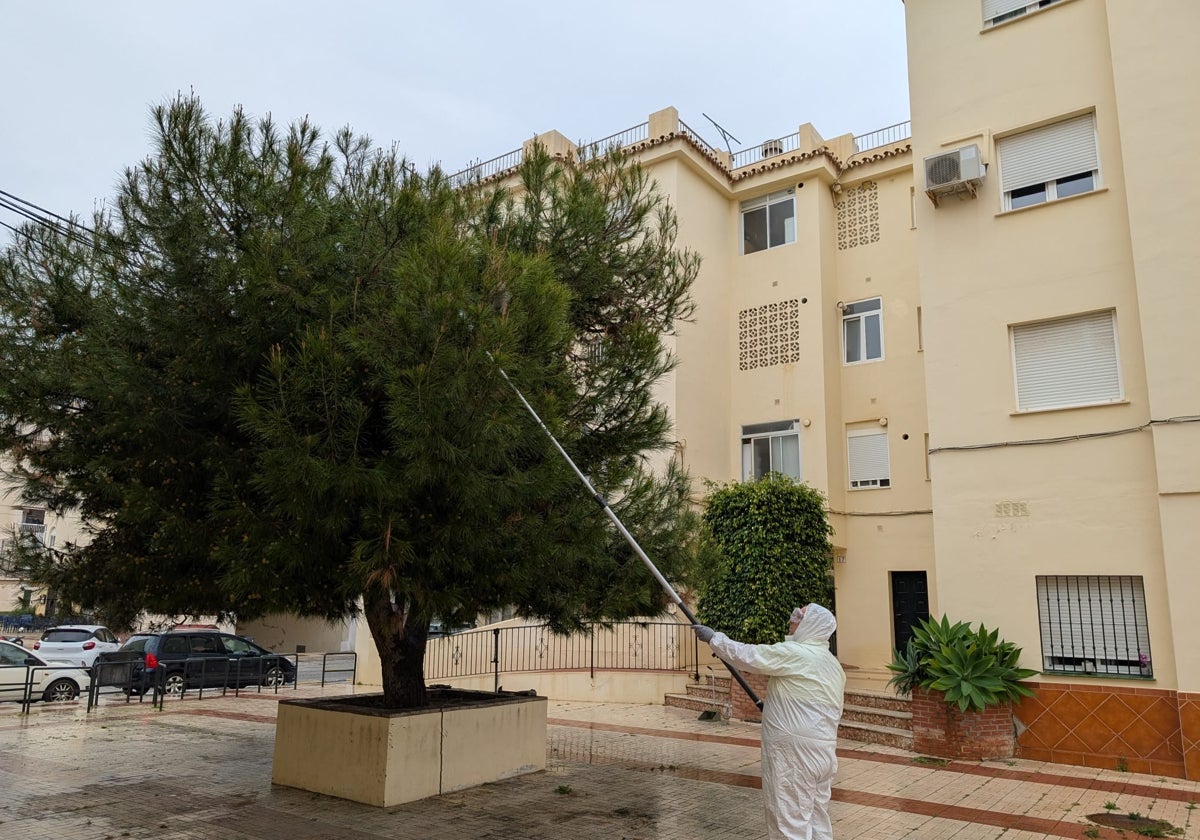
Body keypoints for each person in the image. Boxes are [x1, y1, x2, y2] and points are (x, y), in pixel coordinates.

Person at [693, 604, 845, 840]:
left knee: (789, 822)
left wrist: (715, 639)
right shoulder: (832, 664)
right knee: (817, 820)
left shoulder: (797, 652)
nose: (791, 620)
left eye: (799, 617)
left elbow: (750, 656)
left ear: (812, 625)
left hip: (794, 756)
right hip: (823, 754)